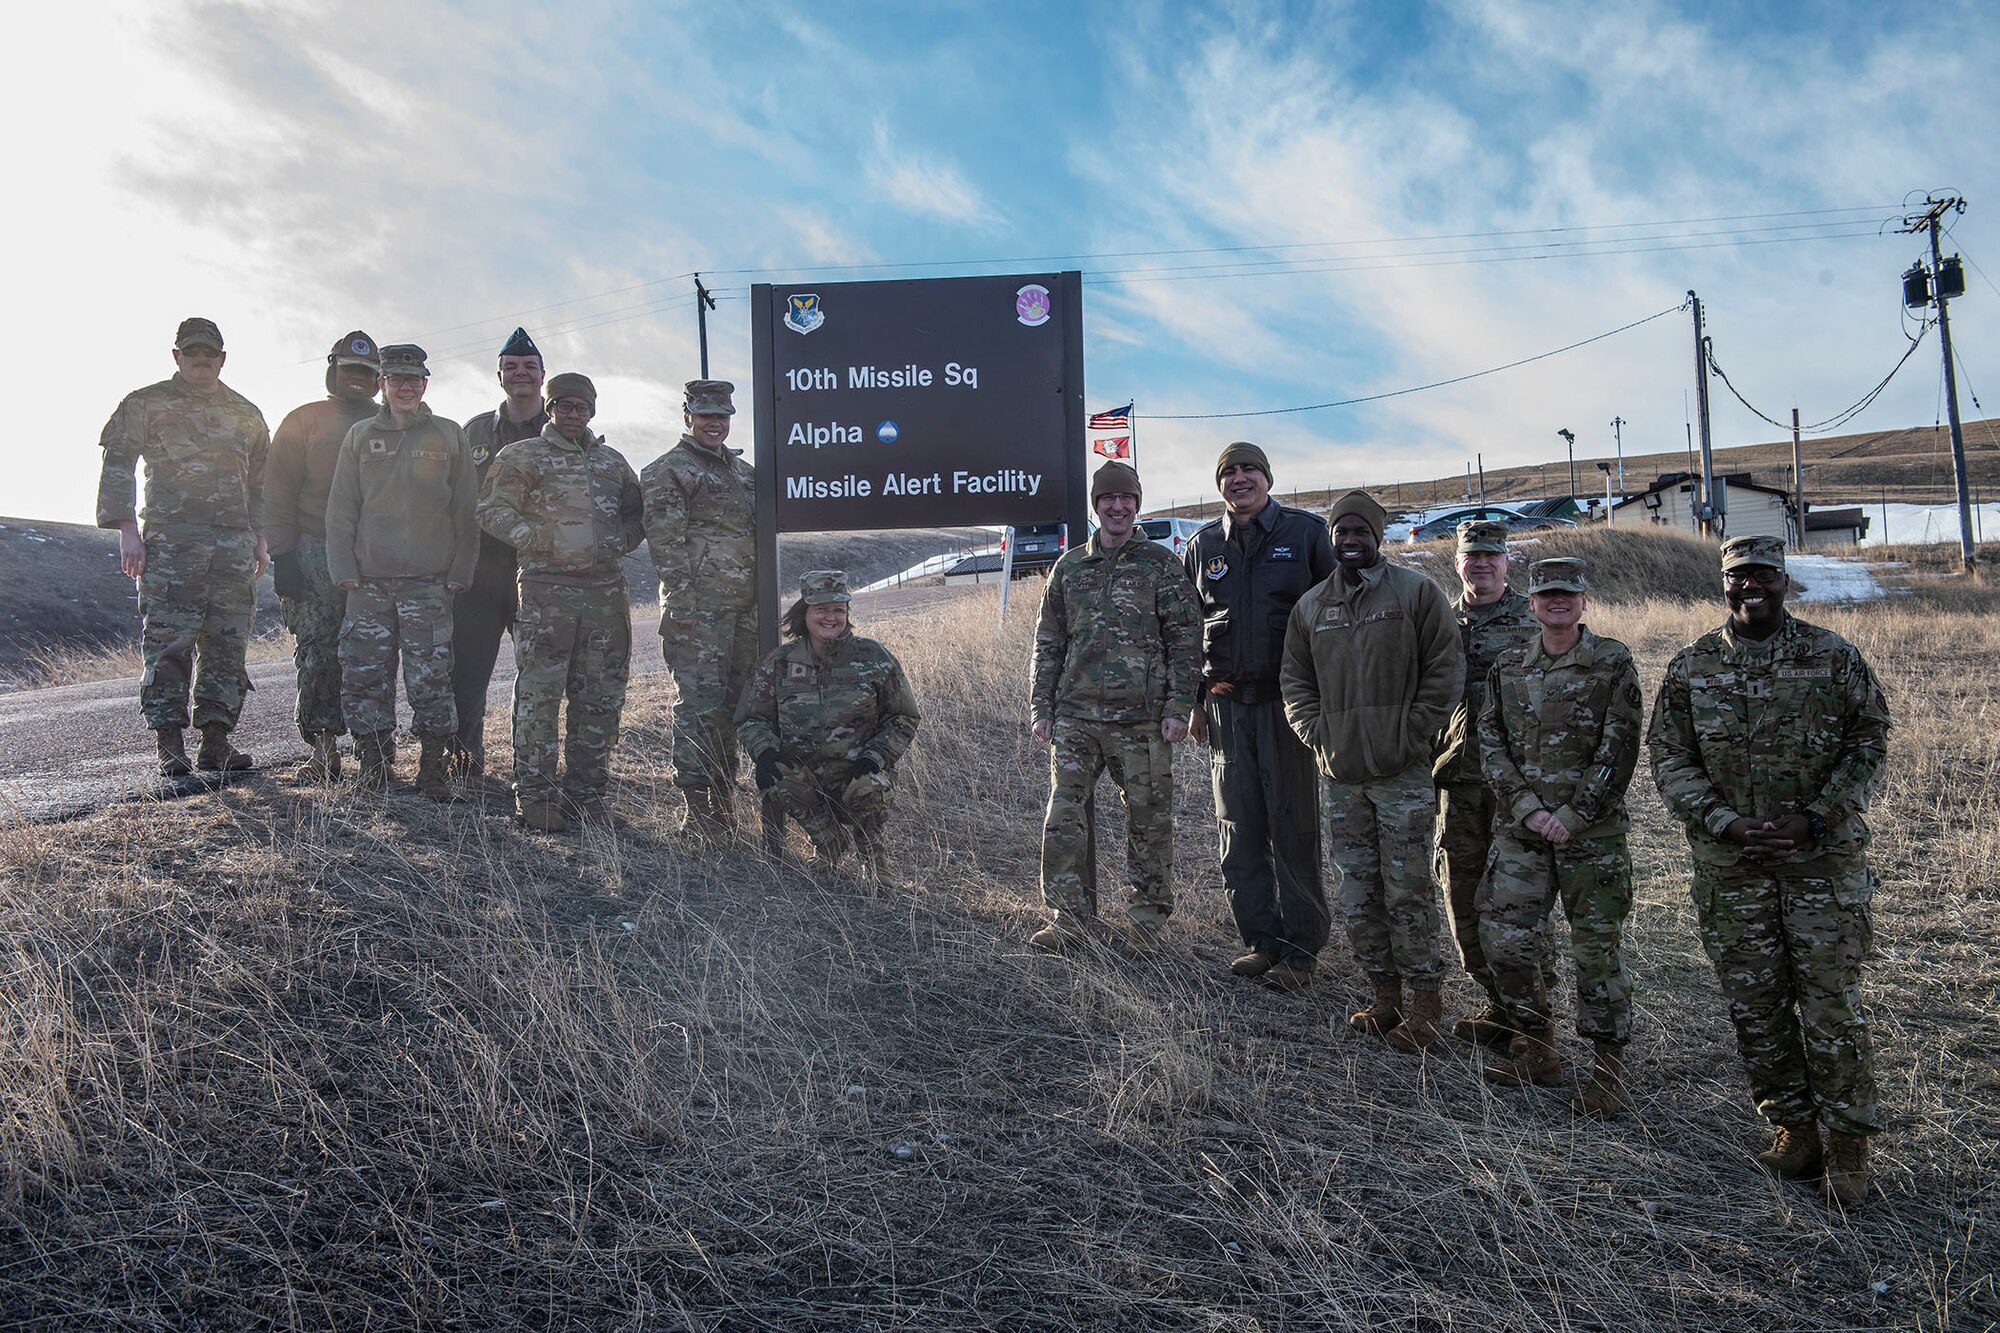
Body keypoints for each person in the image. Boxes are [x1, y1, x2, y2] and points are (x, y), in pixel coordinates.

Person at [1648, 534, 1891, 1207]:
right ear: (1723, 585)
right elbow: (1669, 758)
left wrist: (1816, 815)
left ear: (1785, 581)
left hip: (1820, 863)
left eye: (1763, 574)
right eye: (1737, 576)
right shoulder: (1692, 665)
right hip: (1733, 867)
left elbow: (1869, 738)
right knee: (1756, 1006)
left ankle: (1849, 1139)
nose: (1750, 585)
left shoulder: (1832, 655)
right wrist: (1722, 820)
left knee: (1829, 1005)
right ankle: (1795, 1127)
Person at [1279, 490, 1462, 1050]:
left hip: (1402, 774)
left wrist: (1413, 735)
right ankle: (1384, 996)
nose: (1351, 540)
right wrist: (1319, 735)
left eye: (1361, 531)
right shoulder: (1311, 607)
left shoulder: (1415, 594)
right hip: (1341, 776)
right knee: (1359, 890)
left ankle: (1426, 1002)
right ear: (1331, 539)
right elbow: (1295, 682)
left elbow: (1444, 670)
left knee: (1407, 887)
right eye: (1342, 532)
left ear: (1377, 537)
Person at [1475, 558, 1643, 1116]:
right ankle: (1538, 1047)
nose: (1557, 601)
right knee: (1506, 939)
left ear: (1583, 600)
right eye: (1547, 594)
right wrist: (1527, 809)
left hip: (1589, 832)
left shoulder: (1612, 661)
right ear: (1532, 604)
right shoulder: (1508, 665)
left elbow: (1619, 749)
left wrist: (1570, 816)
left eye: (1567, 593)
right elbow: (1490, 743)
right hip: (1521, 832)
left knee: (1596, 951)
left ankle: (1607, 1073)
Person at [1029, 461, 1201, 950]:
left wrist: (1179, 706)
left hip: (1142, 720)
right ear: (1096, 505)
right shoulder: (1069, 568)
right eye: (1108, 499)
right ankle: (1070, 916)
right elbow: (1049, 641)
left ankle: (1146, 921)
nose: (1117, 507)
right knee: (1065, 816)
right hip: (1077, 716)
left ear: (1137, 504)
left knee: (1148, 819)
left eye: (1126, 499)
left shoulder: (1160, 565)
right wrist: (1042, 706)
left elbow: (1186, 640)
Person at [1183, 442, 1335, 990]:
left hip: (1287, 706)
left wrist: (1326, 702)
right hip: (1225, 705)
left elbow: (1336, 615)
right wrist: (1195, 702)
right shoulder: (1202, 547)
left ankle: (1300, 951)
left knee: (1293, 825)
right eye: (1229, 472)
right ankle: (1261, 941)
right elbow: (1188, 630)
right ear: (1219, 483)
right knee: (1238, 828)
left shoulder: (1306, 534)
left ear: (1268, 478)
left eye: (1249, 470)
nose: (1239, 479)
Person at [95, 317, 270, 776]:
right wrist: (127, 530)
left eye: (208, 354)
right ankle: (169, 745)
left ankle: (217, 742)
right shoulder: (146, 403)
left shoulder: (246, 413)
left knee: (227, 645)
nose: (200, 361)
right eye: (191, 353)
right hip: (172, 545)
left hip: (233, 546)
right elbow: (118, 463)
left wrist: (261, 539)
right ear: (176, 356)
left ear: (222, 358)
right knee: (170, 642)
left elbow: (260, 482)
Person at [476, 372, 644, 831]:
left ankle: (588, 796)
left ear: (593, 411)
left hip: (605, 593)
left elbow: (637, 513)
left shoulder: (611, 462)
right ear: (550, 409)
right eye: (564, 406)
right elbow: (490, 509)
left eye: (581, 407)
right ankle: (535, 797)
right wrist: (537, 539)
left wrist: (617, 542)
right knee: (539, 695)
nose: (573, 414)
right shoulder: (522, 456)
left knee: (600, 697)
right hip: (547, 591)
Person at [324, 344, 479, 799]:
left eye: (414, 380)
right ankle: (374, 764)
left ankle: (433, 767)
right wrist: (343, 569)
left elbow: (467, 510)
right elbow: (340, 508)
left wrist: (461, 570)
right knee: (364, 675)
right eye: (397, 379)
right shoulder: (359, 435)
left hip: (429, 584)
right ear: (382, 385)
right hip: (368, 582)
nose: (406, 387)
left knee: (430, 676)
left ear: (425, 384)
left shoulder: (449, 434)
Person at [737, 571, 922, 877]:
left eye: (838, 609)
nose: (830, 617)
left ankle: (875, 865)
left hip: (856, 772)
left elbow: (904, 716)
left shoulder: (873, 657)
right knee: (775, 778)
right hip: (803, 775)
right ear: (804, 612)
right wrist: (765, 752)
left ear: (848, 614)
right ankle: (829, 844)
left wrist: (875, 756)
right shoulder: (779, 663)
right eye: (821, 609)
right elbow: (751, 718)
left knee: (869, 788)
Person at [1433, 519, 1540, 1044]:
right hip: (1457, 782)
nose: (1481, 565)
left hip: (1515, 789)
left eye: (1490, 557)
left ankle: (1531, 1022)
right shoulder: (1439, 621)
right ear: (1458, 564)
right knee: (1462, 899)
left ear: (1506, 562)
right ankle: (1496, 1003)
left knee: (1515, 907)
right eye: (1471, 558)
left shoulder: (1534, 620)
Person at [263, 330, 381, 781]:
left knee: (372, 653)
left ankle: (374, 749)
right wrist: (283, 556)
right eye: (349, 371)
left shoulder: (391, 423)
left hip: (374, 555)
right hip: (312, 552)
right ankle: (323, 749)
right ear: (333, 371)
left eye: (366, 374)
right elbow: (276, 493)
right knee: (317, 653)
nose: (357, 380)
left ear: (377, 380)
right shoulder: (303, 420)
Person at [641, 379, 758, 836]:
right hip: (698, 613)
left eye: (723, 415)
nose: (715, 423)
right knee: (698, 708)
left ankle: (723, 798)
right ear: (687, 416)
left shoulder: (745, 473)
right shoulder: (668, 471)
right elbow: (667, 545)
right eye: (706, 414)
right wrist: (684, 607)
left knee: (733, 707)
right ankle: (696, 808)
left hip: (745, 613)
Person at [451, 327, 547, 777]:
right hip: (482, 574)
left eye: (529, 367)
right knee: (467, 675)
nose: (521, 373)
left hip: (541, 574)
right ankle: (462, 764)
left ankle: (530, 769)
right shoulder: (474, 432)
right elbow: (455, 501)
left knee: (536, 679)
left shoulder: (561, 430)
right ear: (499, 375)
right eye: (512, 367)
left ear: (543, 375)